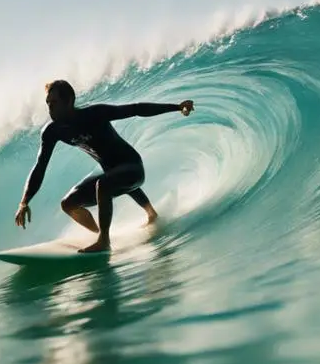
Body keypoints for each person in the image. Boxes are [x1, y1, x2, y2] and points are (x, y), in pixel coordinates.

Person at [14, 79, 194, 253]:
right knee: (68, 203)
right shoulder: (53, 131)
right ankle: (108, 231)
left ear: (69, 101)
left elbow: (136, 109)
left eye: (54, 102)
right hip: (111, 173)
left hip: (133, 168)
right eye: (48, 103)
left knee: (105, 184)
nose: (50, 107)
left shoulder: (94, 114)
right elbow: (40, 166)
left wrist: (177, 107)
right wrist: (24, 202)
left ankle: (104, 241)